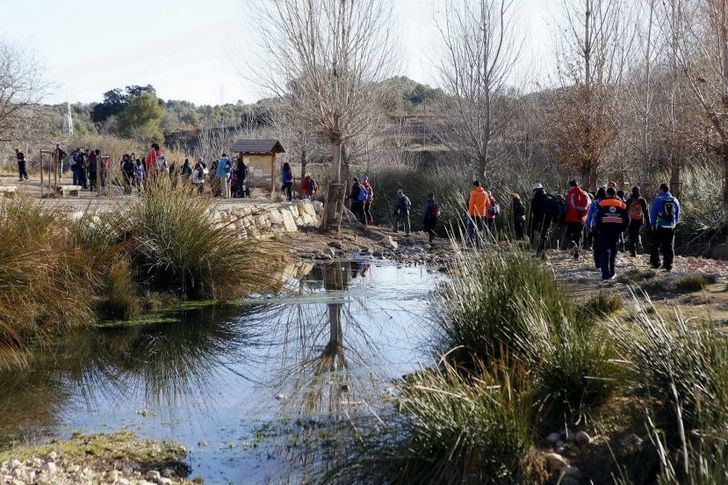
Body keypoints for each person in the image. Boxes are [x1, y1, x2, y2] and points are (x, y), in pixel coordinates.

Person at [595, 187, 629, 281]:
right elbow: (626, 219)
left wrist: (598, 228)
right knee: (613, 252)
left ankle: (605, 275)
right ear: (615, 194)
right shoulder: (621, 204)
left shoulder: (601, 203)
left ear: (607, 194)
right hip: (616, 231)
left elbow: (597, 218)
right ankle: (612, 272)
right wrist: (622, 229)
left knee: (604, 252)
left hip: (604, 231)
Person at [650, 183, 681, 271]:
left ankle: (656, 263)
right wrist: (675, 223)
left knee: (656, 244)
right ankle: (669, 264)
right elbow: (678, 213)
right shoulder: (675, 200)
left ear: (661, 190)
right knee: (669, 245)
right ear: (668, 190)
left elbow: (653, 214)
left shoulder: (658, 200)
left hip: (660, 225)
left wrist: (652, 225)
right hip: (671, 226)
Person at [564, 179, 591, 260]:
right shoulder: (585, 193)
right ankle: (576, 255)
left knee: (568, 234)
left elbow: (567, 207)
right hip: (581, 219)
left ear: (571, 186)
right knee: (578, 236)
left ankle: (572, 245)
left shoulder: (570, 194)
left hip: (571, 218)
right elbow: (589, 206)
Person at [529, 183, 557, 256]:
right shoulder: (551, 197)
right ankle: (542, 252)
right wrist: (555, 220)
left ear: (535, 190)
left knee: (540, 237)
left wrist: (533, 225)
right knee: (544, 236)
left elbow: (534, 212)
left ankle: (540, 253)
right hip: (549, 220)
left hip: (539, 221)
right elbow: (556, 210)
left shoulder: (536, 199)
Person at [625, 186, 650, 257]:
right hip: (640, 220)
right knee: (637, 232)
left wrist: (625, 221)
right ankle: (639, 242)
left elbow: (625, 211)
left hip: (631, 220)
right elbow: (646, 212)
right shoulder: (642, 200)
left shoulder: (629, 200)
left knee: (631, 235)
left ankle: (633, 252)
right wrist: (648, 222)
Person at [586, 186, 607, 269]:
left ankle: (597, 263)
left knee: (596, 244)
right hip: (605, 225)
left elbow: (590, 214)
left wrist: (589, 225)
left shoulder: (594, 202)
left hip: (596, 225)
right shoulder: (606, 202)